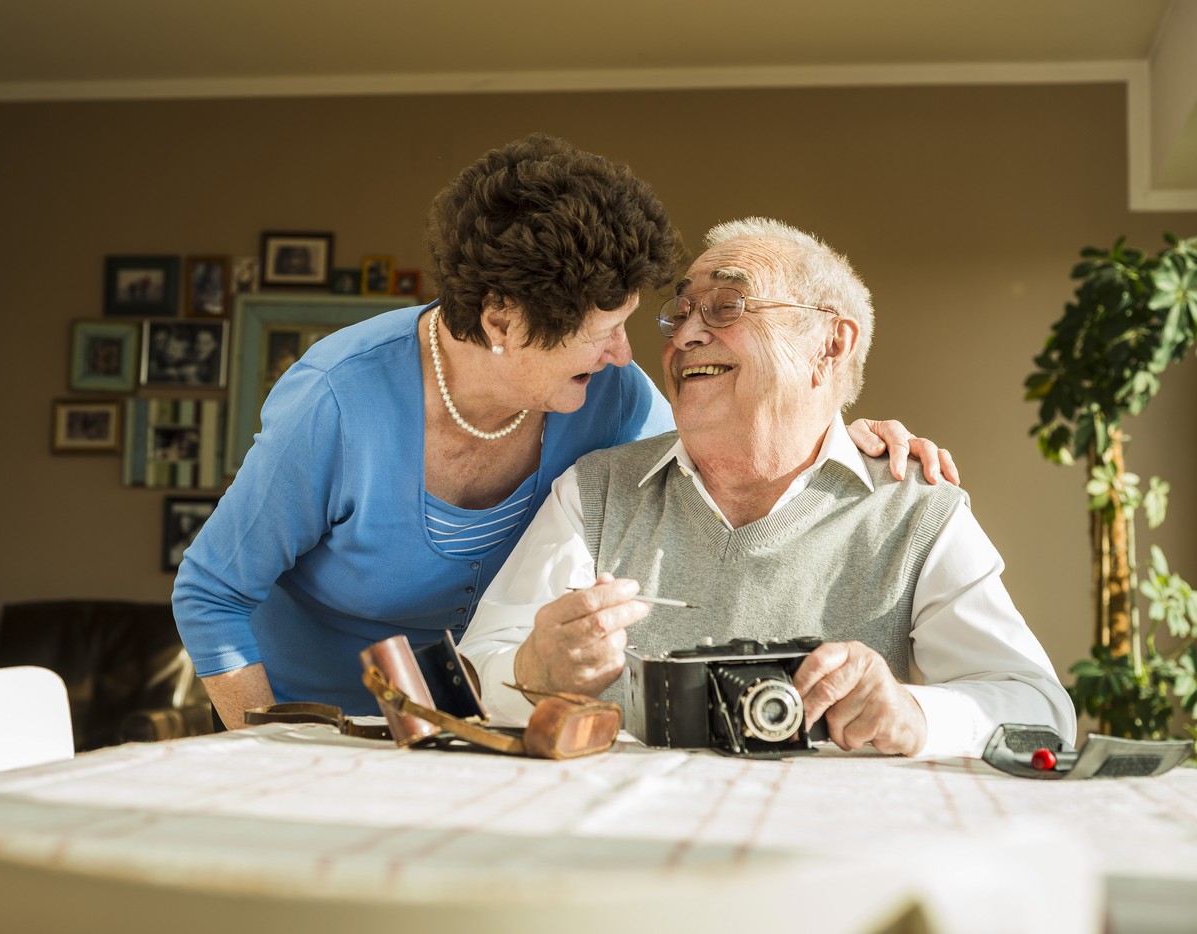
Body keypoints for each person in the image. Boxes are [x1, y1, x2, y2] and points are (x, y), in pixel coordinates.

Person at [172, 137, 953, 728]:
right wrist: (267, 744)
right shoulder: (338, 401)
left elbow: (726, 438)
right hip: (310, 714)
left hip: (473, 721)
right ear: (503, 319)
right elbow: (211, 594)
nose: (626, 351)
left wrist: (843, 433)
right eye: (601, 330)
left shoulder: (607, 396)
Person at [459, 217, 1072, 759]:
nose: (684, 335)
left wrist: (912, 714)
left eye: (727, 305)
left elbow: (1040, 709)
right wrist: (534, 669)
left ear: (831, 344)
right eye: (679, 313)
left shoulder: (916, 509)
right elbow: (475, 674)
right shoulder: (596, 490)